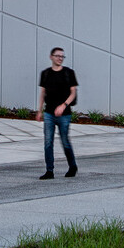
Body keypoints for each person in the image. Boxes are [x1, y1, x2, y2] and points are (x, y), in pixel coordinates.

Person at [37, 47, 79, 180]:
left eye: (62, 56)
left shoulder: (68, 73)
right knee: (48, 142)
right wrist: (39, 110)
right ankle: (49, 171)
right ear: (51, 57)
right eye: (57, 56)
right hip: (49, 113)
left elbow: (73, 92)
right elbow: (43, 93)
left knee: (65, 140)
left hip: (64, 114)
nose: (60, 58)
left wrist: (64, 105)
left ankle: (72, 166)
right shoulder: (45, 74)